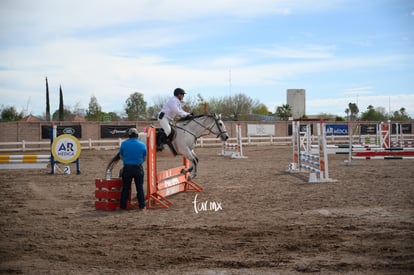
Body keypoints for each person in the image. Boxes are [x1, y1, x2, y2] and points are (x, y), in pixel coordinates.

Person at [119, 128, 147, 210]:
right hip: (138, 168)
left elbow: (121, 156)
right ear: (137, 135)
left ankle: (123, 206)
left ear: (129, 135)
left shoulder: (124, 144)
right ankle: (142, 206)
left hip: (127, 168)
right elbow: (144, 157)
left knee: (125, 188)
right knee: (140, 188)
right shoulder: (142, 145)